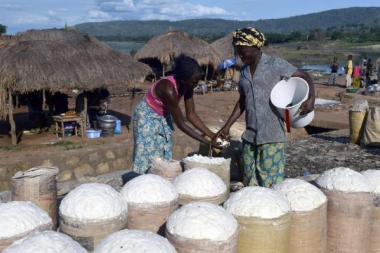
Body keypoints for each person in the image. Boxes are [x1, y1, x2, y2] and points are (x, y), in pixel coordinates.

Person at [214, 27, 315, 188]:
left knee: (271, 185)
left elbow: (305, 76)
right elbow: (242, 102)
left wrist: (311, 99)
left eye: (244, 51)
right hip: (250, 137)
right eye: (238, 52)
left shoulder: (276, 64)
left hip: (272, 137)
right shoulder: (245, 71)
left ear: (256, 47)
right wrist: (226, 127)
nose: (241, 55)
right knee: (251, 183)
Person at [132, 54, 222, 174]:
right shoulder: (168, 88)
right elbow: (181, 124)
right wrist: (207, 142)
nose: (196, 84)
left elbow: (191, 115)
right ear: (183, 79)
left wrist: (212, 135)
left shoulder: (188, 86)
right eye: (195, 81)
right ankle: (142, 184)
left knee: (163, 157)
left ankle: (160, 182)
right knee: (148, 156)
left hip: (162, 117)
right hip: (147, 117)